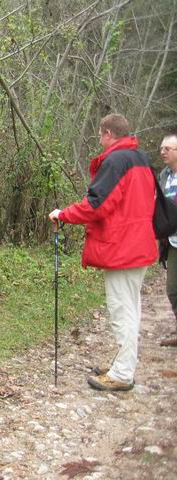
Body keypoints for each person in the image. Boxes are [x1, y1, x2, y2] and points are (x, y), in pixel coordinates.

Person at [48, 114, 157, 392]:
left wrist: (64, 214)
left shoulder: (116, 161)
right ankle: (124, 363)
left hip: (123, 247)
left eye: (99, 134)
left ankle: (122, 373)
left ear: (108, 133)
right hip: (138, 244)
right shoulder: (141, 159)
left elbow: (97, 204)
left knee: (122, 310)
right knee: (130, 309)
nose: (98, 139)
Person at [157, 133, 177, 347]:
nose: (163, 152)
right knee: (173, 289)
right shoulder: (164, 176)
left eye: (167, 149)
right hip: (171, 240)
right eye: (161, 148)